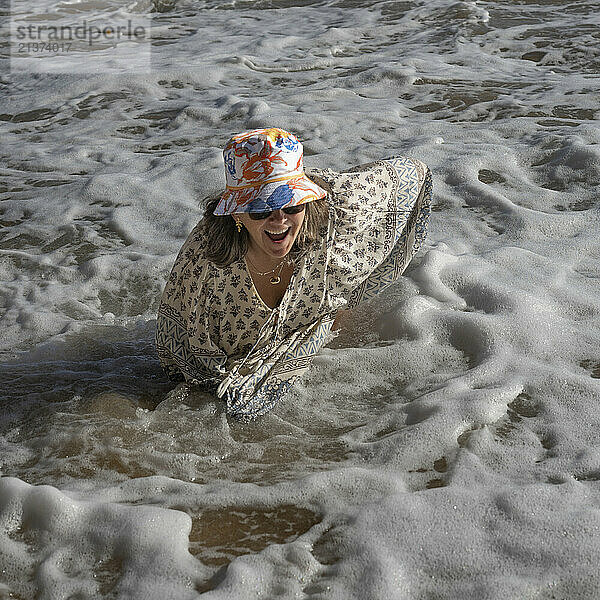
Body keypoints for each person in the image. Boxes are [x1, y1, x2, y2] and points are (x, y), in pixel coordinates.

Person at [156, 128, 432, 420]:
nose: (279, 219)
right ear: (236, 213)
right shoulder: (207, 264)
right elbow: (180, 351)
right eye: (261, 208)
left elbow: (410, 174)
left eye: (291, 203)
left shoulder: (336, 213)